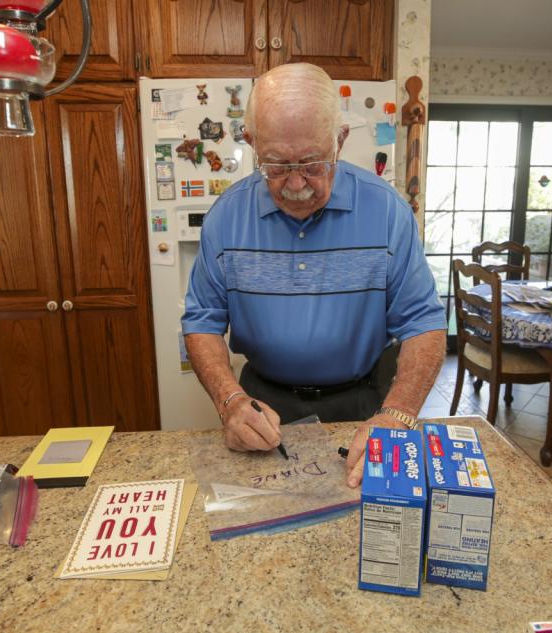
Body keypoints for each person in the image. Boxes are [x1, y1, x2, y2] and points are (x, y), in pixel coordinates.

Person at [181, 63, 446, 488]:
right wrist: (229, 401)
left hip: (362, 402)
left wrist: (397, 414)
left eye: (313, 162)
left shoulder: (388, 211)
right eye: (276, 165)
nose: (296, 183)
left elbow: (425, 324)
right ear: (251, 144)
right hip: (263, 407)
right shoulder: (226, 217)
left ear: (339, 141)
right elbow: (202, 322)